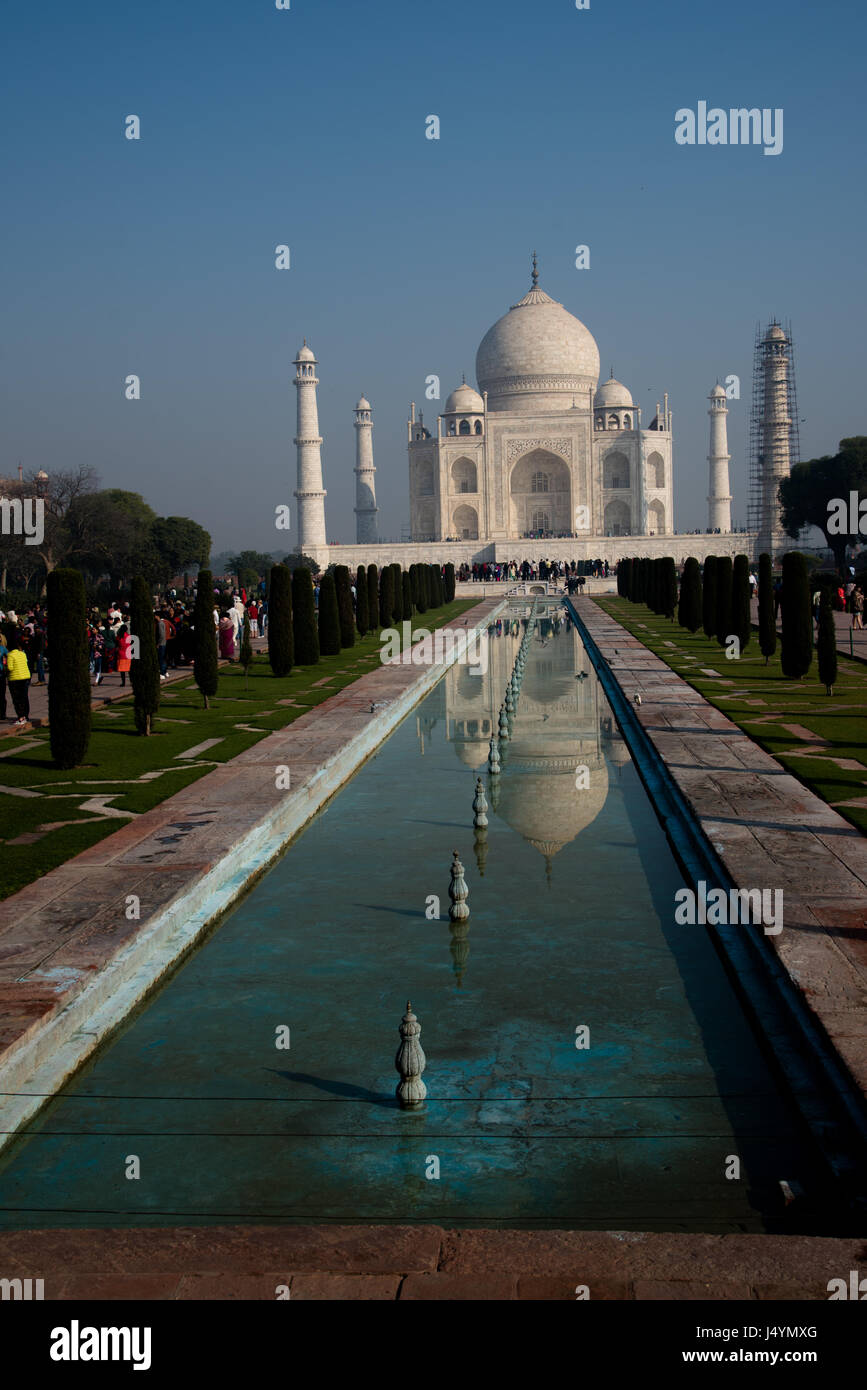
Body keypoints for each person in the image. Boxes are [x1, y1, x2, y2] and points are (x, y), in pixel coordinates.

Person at [6, 635, 31, 726]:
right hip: (25, 677)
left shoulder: (10, 655)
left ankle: (21, 717)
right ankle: (26, 716)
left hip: (15, 678)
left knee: (17, 699)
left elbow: (10, 668)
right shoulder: (22, 653)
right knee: (24, 697)